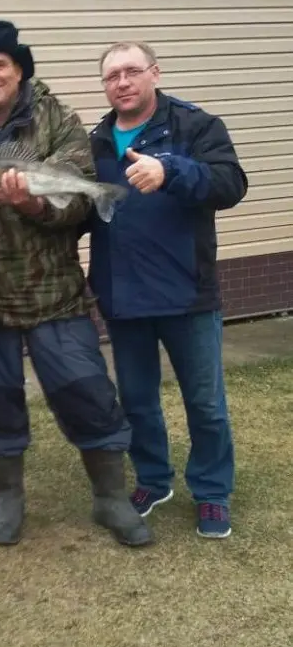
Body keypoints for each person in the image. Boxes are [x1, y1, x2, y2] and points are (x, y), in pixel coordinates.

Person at [0, 20, 152, 549]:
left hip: (54, 293)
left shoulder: (59, 119)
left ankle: (110, 497)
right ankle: (7, 497)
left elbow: (80, 207)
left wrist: (33, 203)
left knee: (87, 392)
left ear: (19, 69)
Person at [86, 41, 248, 539]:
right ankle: (154, 480)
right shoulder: (95, 141)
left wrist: (170, 170)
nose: (123, 83)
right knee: (137, 400)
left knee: (204, 403)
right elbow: (82, 212)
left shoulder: (194, 126)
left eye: (132, 71)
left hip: (186, 293)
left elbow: (231, 183)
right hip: (123, 294)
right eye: (112, 76)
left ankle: (212, 491)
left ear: (154, 73)